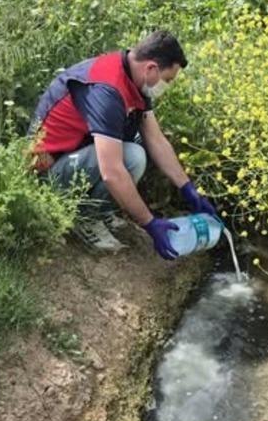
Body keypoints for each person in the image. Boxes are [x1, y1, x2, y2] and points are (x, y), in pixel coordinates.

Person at [27, 30, 217, 260]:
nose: (167, 86)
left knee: (136, 144)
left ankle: (101, 210)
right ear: (151, 68)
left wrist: (188, 189)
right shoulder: (106, 89)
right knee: (131, 156)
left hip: (75, 158)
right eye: (168, 80)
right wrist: (150, 223)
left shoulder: (134, 79)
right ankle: (86, 217)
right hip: (46, 175)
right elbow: (112, 172)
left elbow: (156, 140)